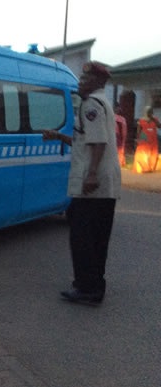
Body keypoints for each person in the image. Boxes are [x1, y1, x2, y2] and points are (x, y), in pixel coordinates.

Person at [43, 61, 121, 305]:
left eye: (85, 80)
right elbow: (84, 141)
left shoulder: (92, 105)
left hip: (93, 187)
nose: (80, 83)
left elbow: (98, 143)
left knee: (83, 237)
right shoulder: (103, 103)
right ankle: (94, 286)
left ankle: (87, 288)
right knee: (97, 238)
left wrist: (91, 175)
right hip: (103, 187)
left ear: (98, 82)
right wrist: (57, 136)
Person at [133, 106, 161, 173]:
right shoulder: (141, 120)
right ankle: (144, 168)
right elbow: (138, 131)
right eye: (148, 111)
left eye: (151, 111)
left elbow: (159, 126)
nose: (150, 113)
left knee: (153, 153)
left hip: (153, 140)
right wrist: (137, 139)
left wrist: (154, 119)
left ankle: (151, 167)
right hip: (144, 140)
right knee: (144, 153)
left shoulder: (155, 119)